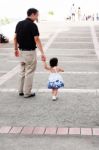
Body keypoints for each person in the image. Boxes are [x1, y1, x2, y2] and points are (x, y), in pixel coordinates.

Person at [14, 8, 46, 98]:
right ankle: (27, 92)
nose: (37, 17)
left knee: (22, 71)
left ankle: (20, 90)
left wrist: (15, 49)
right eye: (37, 15)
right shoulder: (33, 25)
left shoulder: (19, 23)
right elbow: (36, 39)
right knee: (29, 72)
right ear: (32, 14)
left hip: (21, 51)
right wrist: (42, 53)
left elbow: (15, 38)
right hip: (30, 52)